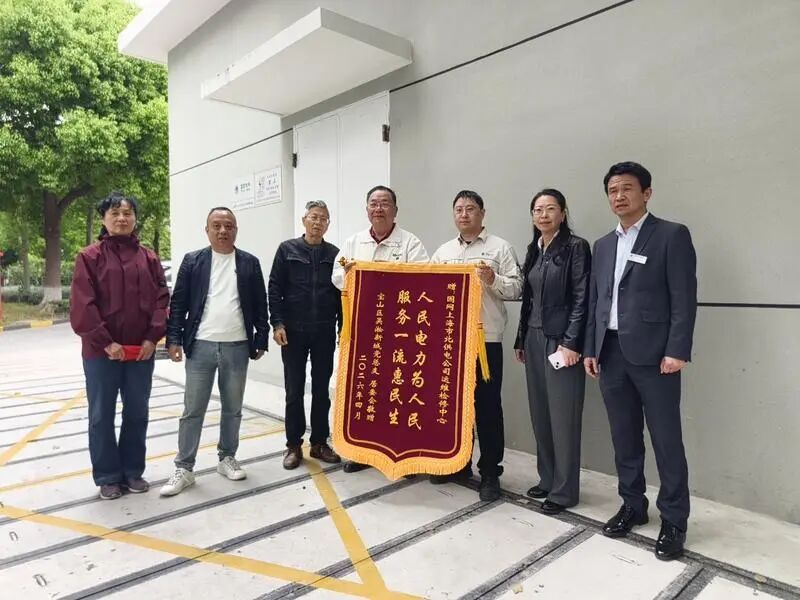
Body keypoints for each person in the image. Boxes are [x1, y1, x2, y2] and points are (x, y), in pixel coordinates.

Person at [584, 162, 697, 561]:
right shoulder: (603, 245)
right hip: (611, 352)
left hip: (656, 356)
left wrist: (677, 349)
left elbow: (684, 297)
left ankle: (674, 519)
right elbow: (597, 301)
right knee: (624, 437)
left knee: (666, 440)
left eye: (627, 188)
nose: (619, 196)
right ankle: (633, 505)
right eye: (612, 190)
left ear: (646, 193)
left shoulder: (670, 235)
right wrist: (591, 347)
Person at [160, 207, 269, 497]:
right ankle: (184, 468)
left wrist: (261, 338)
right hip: (201, 346)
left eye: (228, 226)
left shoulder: (249, 263)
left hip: (237, 345)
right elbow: (179, 303)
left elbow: (260, 303)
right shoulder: (193, 261)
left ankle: (227, 457)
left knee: (233, 408)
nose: (223, 230)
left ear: (236, 230)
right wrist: (173, 339)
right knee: (193, 410)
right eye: (217, 225)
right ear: (206, 230)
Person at [70, 192, 169, 500]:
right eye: (115, 213)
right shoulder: (89, 257)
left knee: (137, 412)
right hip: (101, 353)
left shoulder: (149, 258)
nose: (122, 218)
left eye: (127, 213)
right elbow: (83, 305)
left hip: (141, 351)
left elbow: (162, 300)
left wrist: (152, 338)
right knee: (101, 415)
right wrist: (105, 342)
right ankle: (107, 476)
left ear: (135, 218)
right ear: (104, 219)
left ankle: (132, 471)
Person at [429, 190, 523, 501]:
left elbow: (518, 289)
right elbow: (429, 290)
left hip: (486, 341)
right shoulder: (443, 252)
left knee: (487, 407)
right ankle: (458, 463)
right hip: (452, 341)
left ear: (482, 213)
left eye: (470, 209)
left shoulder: (500, 248)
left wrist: (493, 278)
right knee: (455, 405)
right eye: (459, 209)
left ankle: (491, 472)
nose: (464, 214)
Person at [332, 185, 429, 473]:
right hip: (363, 330)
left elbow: (423, 277)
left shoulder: (411, 243)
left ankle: (401, 451)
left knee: (397, 390)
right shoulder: (353, 242)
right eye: (373, 204)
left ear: (395, 210)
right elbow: (337, 276)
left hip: (400, 331)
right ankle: (361, 452)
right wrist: (351, 275)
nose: (379, 209)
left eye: (385, 203)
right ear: (366, 210)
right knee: (363, 390)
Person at [513, 189, 591, 515]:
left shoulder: (575, 247)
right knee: (541, 414)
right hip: (533, 339)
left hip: (560, 341)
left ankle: (564, 491)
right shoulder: (534, 248)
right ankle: (547, 479)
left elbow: (582, 298)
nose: (543, 215)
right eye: (538, 210)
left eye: (550, 209)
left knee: (563, 418)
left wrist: (571, 342)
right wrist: (520, 339)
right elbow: (528, 299)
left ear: (562, 213)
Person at [269, 201, 342, 470]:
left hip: (323, 331)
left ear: (328, 224)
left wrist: (342, 328)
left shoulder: (335, 254)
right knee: (294, 390)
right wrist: (277, 324)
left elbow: (341, 293)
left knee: (322, 390)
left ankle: (320, 442)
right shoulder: (287, 250)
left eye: (323, 218)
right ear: (304, 220)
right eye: (313, 217)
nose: (317, 222)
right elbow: (274, 288)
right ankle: (293, 445)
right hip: (293, 332)